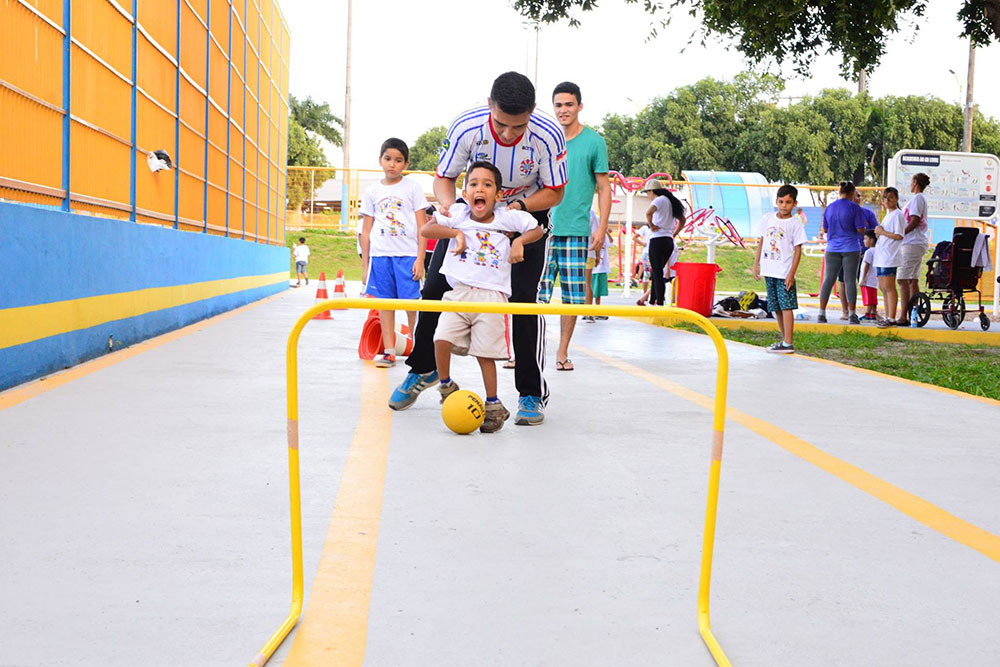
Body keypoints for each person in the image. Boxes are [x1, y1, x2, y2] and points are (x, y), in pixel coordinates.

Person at [388, 71, 566, 426]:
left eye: (518, 127)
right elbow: (444, 178)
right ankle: (424, 369)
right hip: (472, 213)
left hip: (521, 215)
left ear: (532, 111)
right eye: (501, 124)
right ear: (490, 106)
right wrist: (454, 212)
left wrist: (514, 211)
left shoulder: (548, 135)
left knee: (523, 302)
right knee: (436, 288)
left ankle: (530, 393)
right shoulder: (467, 127)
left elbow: (555, 191)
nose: (508, 134)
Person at [422, 162, 543, 433]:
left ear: (499, 195)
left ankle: (493, 404)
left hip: (492, 297)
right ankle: (445, 384)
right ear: (465, 193)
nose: (480, 189)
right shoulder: (458, 214)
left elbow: (537, 229)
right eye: (474, 184)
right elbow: (427, 230)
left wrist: (518, 242)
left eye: (487, 185)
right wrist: (455, 233)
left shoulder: (506, 217)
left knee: (484, 354)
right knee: (440, 338)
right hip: (459, 293)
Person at [539, 82, 612, 371]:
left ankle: (562, 351)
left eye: (569, 104)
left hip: (577, 231)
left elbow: (604, 188)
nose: (563, 110)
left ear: (579, 106)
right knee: (533, 296)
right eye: (558, 105)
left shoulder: (594, 142)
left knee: (571, 297)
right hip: (541, 231)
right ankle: (524, 351)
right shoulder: (545, 139)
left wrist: (602, 227)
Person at [360, 138, 428, 368]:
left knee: (412, 304)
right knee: (385, 304)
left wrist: (420, 258)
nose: (392, 164)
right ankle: (389, 351)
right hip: (380, 257)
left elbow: (422, 226)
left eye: (398, 160)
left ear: (406, 164)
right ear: (380, 160)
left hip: (407, 256)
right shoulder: (372, 191)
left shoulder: (412, 188)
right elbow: (366, 231)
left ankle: (419, 350)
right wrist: (365, 266)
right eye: (388, 159)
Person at [753, 184, 807, 353]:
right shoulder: (768, 218)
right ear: (776, 201)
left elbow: (798, 250)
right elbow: (762, 241)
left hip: (784, 272)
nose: (784, 205)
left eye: (788, 202)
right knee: (775, 306)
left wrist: (791, 273)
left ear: (794, 203)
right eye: (781, 201)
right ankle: (784, 340)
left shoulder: (795, 224)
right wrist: (756, 264)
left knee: (786, 306)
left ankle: (788, 342)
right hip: (769, 270)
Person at [817, 181, 866, 324]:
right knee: (850, 280)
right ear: (851, 193)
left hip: (832, 248)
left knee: (828, 279)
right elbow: (860, 229)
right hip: (851, 248)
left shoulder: (830, 208)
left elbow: (825, 229)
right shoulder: (855, 208)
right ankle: (852, 314)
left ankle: (821, 313)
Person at [642, 179, 686, 306]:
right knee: (657, 271)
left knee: (656, 272)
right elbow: (682, 219)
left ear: (651, 191)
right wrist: (675, 233)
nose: (647, 196)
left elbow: (648, 212)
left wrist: (651, 225)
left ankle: (659, 302)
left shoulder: (659, 199)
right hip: (668, 241)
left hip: (657, 240)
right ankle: (652, 300)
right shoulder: (671, 201)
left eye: (647, 193)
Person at [897, 173, 931, 325]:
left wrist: (900, 233)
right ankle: (914, 313)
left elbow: (915, 220)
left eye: (911, 182)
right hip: (917, 243)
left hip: (912, 243)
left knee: (902, 279)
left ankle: (903, 315)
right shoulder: (919, 198)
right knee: (912, 280)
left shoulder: (917, 198)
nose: (910, 185)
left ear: (915, 182)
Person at [874, 186, 905, 328]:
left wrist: (882, 232)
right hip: (881, 256)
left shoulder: (898, 214)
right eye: (885, 198)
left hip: (889, 256)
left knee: (889, 287)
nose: (887, 200)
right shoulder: (888, 214)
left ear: (896, 199)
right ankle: (887, 316)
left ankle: (892, 318)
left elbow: (899, 235)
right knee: (883, 287)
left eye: (890, 197)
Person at [583, 210, 613, 322]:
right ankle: (588, 313)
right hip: (589, 251)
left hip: (582, 250)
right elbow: (597, 237)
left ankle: (587, 312)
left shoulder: (590, 213)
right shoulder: (591, 214)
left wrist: (597, 255)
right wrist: (597, 255)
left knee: (584, 283)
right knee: (587, 283)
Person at [858, 230, 879, 321]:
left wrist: (862, 278)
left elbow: (866, 265)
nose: (864, 241)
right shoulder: (877, 251)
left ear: (871, 240)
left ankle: (867, 314)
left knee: (868, 298)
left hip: (867, 279)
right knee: (873, 297)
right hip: (874, 279)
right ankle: (873, 313)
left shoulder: (869, 252)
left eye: (865, 239)